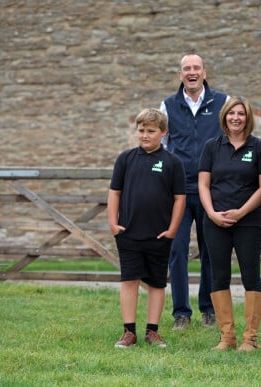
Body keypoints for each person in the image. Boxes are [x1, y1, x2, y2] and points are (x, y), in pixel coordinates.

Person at [198, 96, 261, 352]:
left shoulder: (259, 147)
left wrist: (240, 212)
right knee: (218, 275)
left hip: (248, 222)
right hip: (215, 221)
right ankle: (227, 337)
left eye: (241, 114)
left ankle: (250, 339)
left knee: (251, 274)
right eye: (231, 114)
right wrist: (211, 213)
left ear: (248, 118)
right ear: (224, 117)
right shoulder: (211, 146)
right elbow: (203, 184)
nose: (236, 118)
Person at [159, 53, 228, 330]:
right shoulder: (167, 106)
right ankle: (181, 313)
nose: (191, 72)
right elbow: (161, 144)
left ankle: (208, 309)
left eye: (196, 68)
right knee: (177, 251)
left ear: (204, 72)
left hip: (211, 190)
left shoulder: (223, 102)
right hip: (179, 191)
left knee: (211, 250)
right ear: (180, 75)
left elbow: (233, 136)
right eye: (186, 69)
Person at [108, 108, 186, 348]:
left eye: (151, 131)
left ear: (163, 132)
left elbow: (180, 198)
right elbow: (115, 192)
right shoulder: (125, 159)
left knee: (156, 283)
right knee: (129, 281)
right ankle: (128, 332)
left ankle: (152, 331)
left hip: (159, 235)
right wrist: (113, 222)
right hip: (128, 233)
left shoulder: (173, 163)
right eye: (141, 130)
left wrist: (172, 229)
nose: (145, 135)